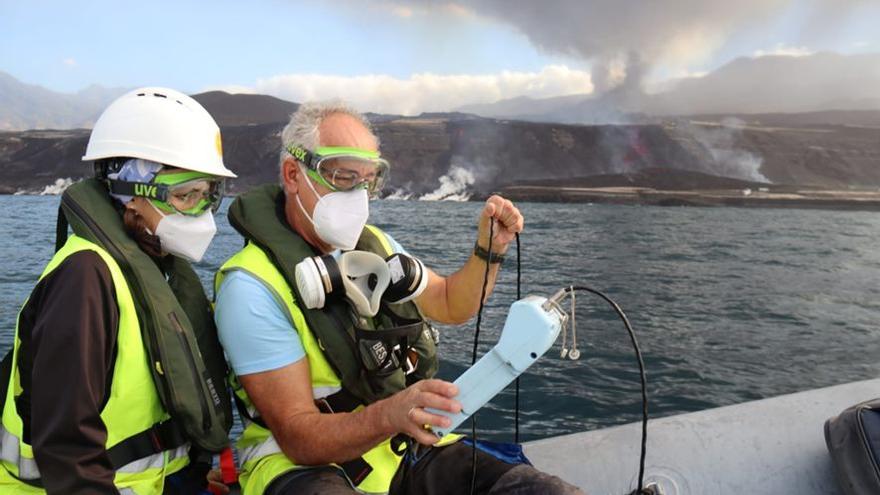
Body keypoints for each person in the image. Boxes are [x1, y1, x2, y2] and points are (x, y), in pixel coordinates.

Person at [214, 101, 584, 494]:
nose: (358, 195)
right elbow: (297, 437)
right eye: (342, 177)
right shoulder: (251, 287)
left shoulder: (377, 245)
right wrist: (390, 414)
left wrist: (488, 251)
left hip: (395, 447)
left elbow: (449, 303)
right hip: (296, 465)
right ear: (293, 174)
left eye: (368, 180)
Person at [0, 87, 236, 494]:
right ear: (130, 193)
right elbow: (67, 451)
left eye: (207, 196)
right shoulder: (85, 279)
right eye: (185, 196)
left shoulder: (158, 269)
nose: (201, 214)